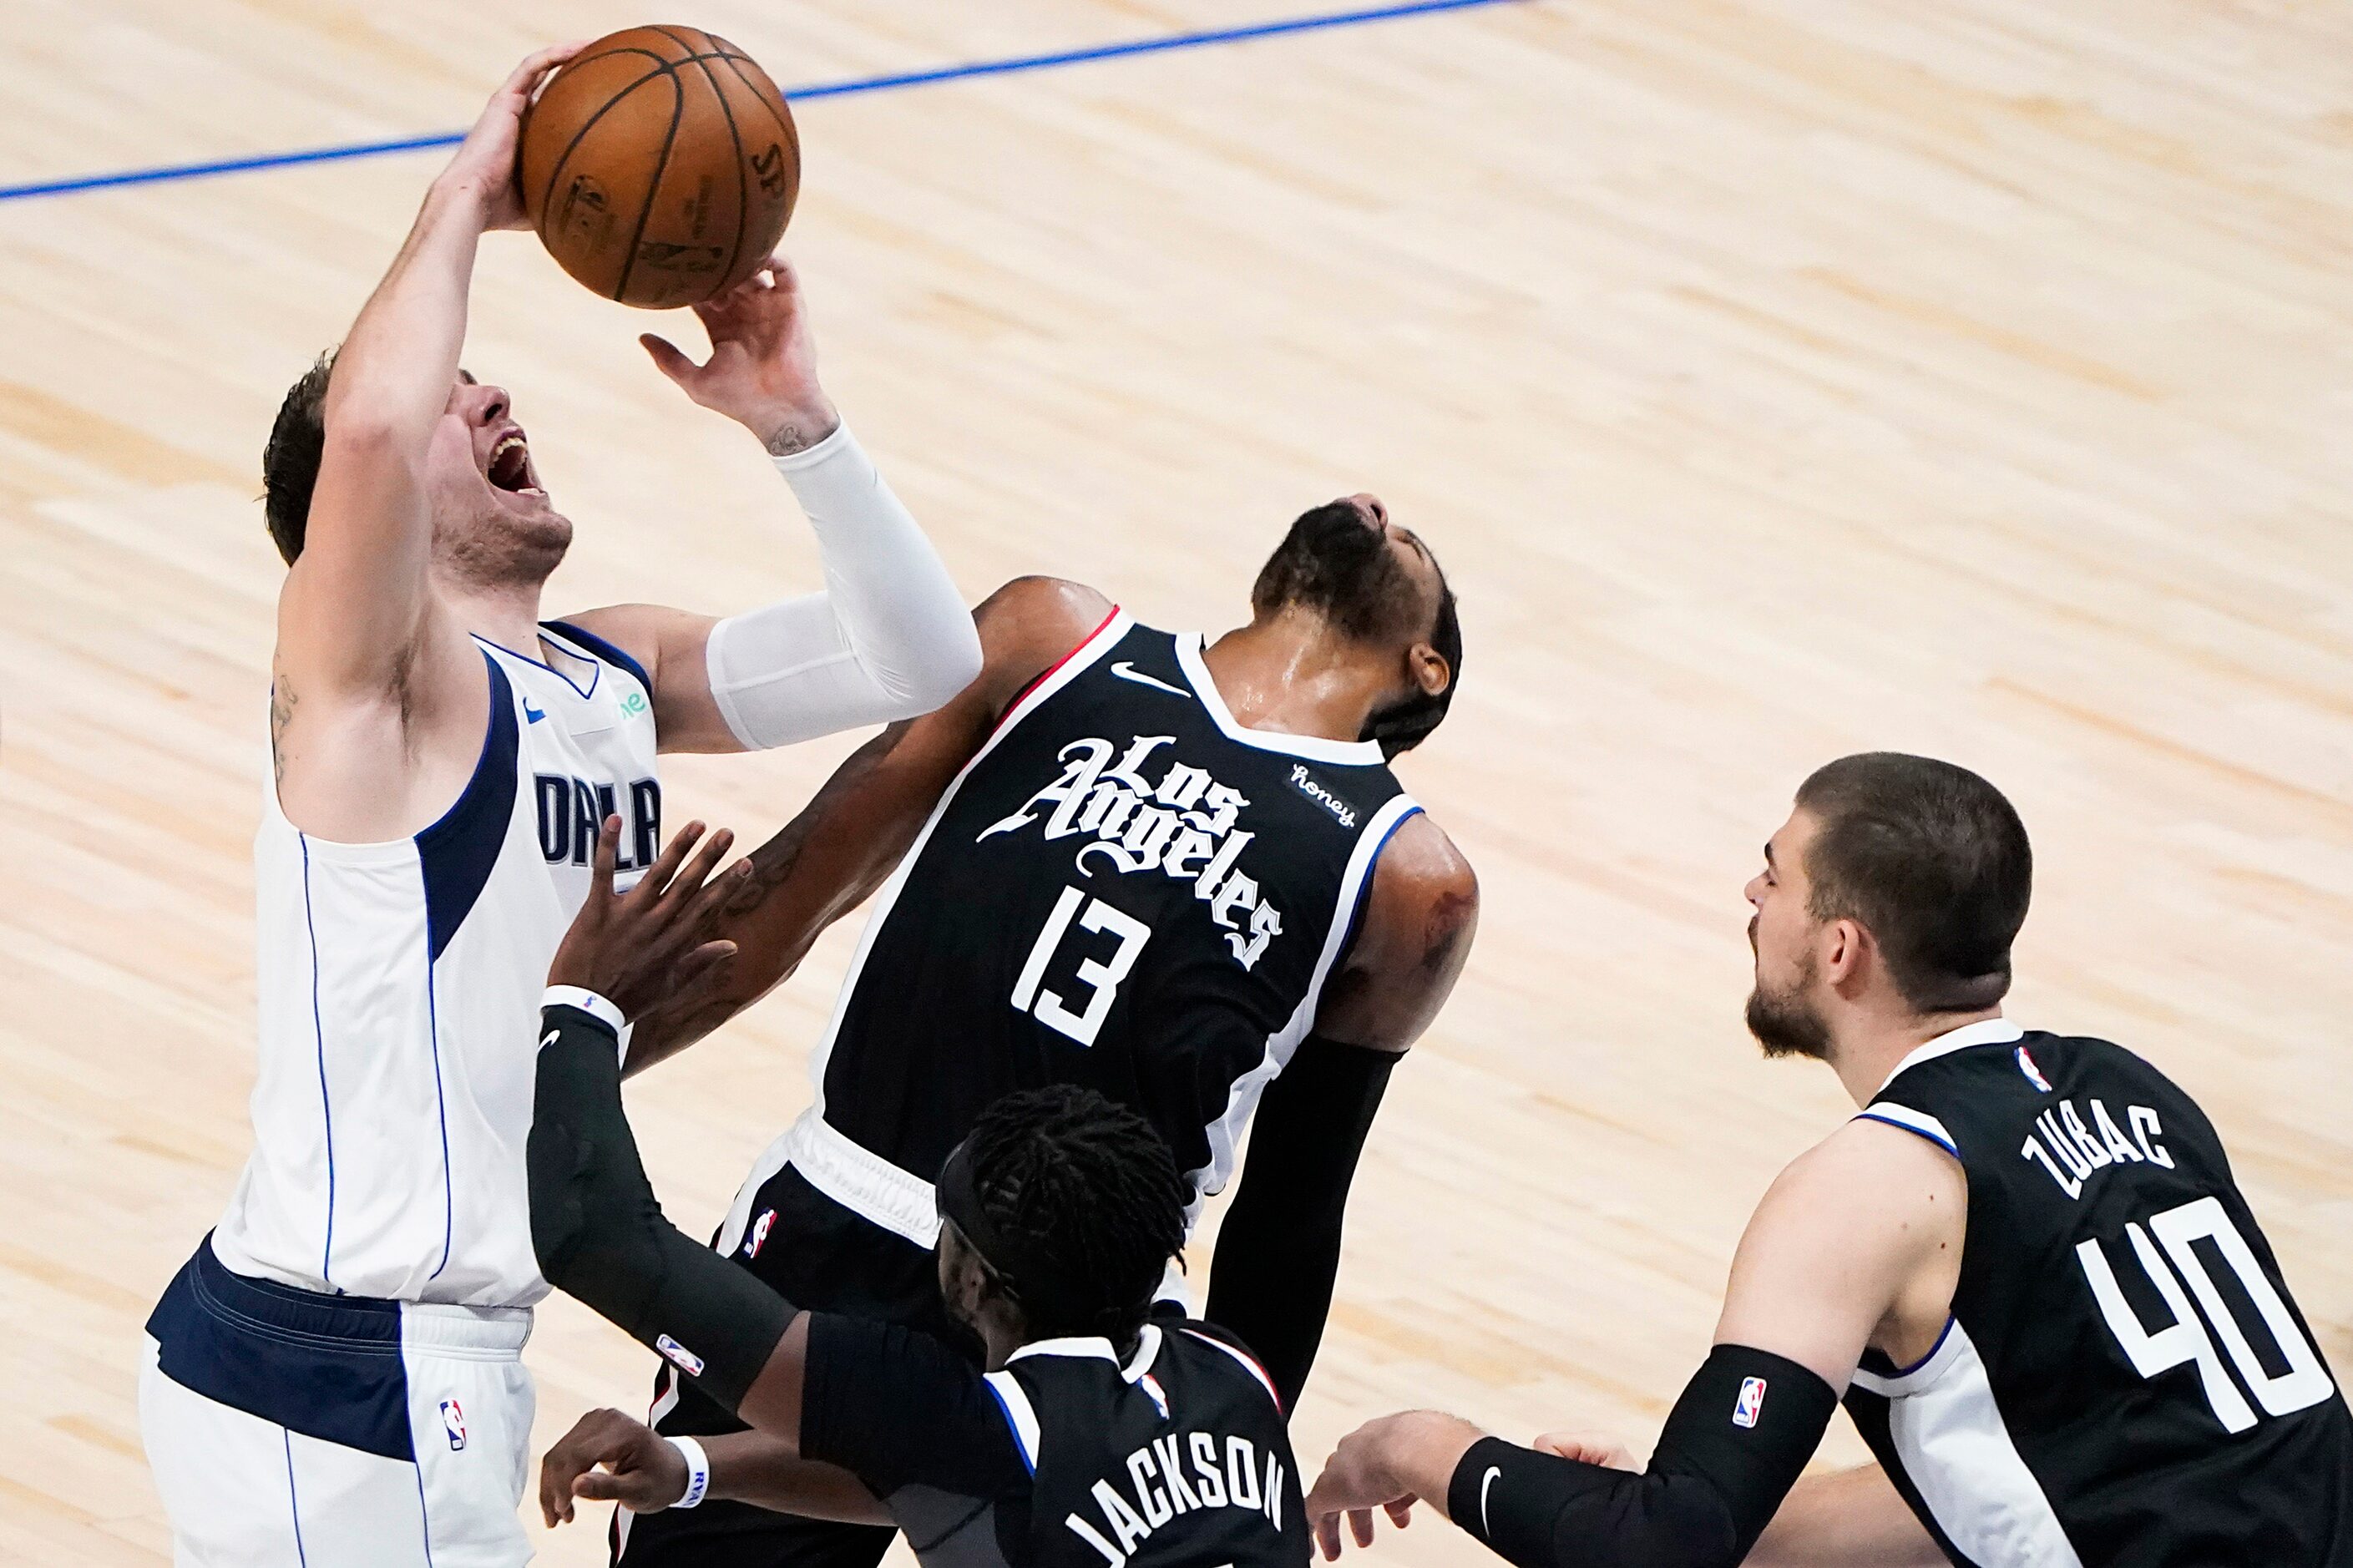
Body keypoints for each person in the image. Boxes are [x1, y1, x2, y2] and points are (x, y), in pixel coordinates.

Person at [136, 44, 983, 1568]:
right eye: (460, 399)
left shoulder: (607, 672)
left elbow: (923, 656)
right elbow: (374, 434)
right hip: (337, 1360)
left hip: (414, 1355)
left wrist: (801, 421)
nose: (490, 393)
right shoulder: (374, 695)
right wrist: (470, 189)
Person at [610, 503, 1480, 1567]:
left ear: (1425, 666)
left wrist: (1241, 1433)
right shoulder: (1052, 639)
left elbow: (1293, 1211)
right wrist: (545, 1077)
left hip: (1087, 1328)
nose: (1382, 511)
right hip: (847, 1208)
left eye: (1412, 545)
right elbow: (793, 893)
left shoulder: (1410, 881)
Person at [1302, 753, 2353, 1568]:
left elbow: (1657, 1555)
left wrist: (1420, 1448)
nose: (1749, 896)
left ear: (1841, 947)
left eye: (1774, 873)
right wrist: (1709, 1505)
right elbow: (2043, 1473)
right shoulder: (2127, 1086)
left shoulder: (1867, 1185)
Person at [524, 817, 1309, 1568]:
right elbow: (933, 1472)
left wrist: (585, 1004)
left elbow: (593, 1234)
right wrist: (697, 1468)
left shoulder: (987, 1435)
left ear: (970, 1281)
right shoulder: (1227, 1371)